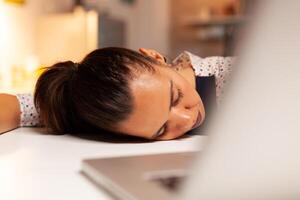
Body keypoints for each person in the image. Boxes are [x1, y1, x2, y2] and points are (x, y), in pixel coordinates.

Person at [0, 47, 234, 140]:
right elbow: (18, 107)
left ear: (155, 57)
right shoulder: (98, 111)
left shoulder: (237, 77)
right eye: (161, 130)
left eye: (176, 97)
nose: (187, 119)